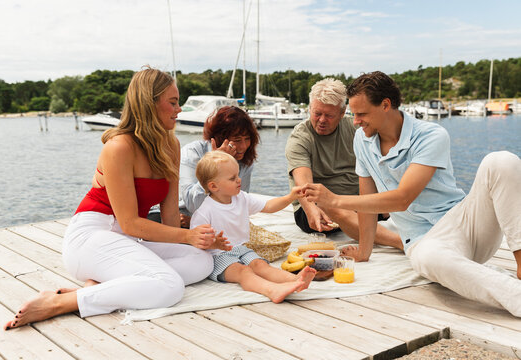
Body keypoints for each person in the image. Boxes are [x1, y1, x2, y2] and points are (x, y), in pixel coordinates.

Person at [4, 67, 218, 330]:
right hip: (92, 236)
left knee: (202, 261)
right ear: (149, 104)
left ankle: (105, 286)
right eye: (173, 102)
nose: (179, 109)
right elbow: (129, 223)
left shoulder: (170, 145)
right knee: (170, 286)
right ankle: (62, 303)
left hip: (125, 238)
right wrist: (187, 236)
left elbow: (171, 216)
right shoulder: (119, 147)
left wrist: (190, 242)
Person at [303, 71, 521, 316]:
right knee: (426, 258)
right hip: (424, 241)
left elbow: (403, 198)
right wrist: (365, 251)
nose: (355, 121)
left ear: (386, 105)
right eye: (353, 114)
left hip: (465, 223)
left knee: (501, 161)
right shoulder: (361, 141)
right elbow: (367, 199)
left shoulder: (431, 135)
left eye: (362, 114)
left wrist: (334, 200)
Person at [285, 78, 402, 249]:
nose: (322, 120)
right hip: (315, 206)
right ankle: (401, 243)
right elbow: (304, 186)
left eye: (329, 115)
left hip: (355, 202)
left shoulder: (357, 130)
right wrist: (311, 211)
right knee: (331, 206)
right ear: (309, 109)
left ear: (342, 113)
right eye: (317, 113)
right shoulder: (300, 137)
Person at [191, 150, 316, 303]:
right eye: (232, 178)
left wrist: (291, 197)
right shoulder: (205, 212)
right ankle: (272, 290)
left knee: (260, 265)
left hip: (241, 248)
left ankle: (295, 280)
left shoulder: (241, 198)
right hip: (217, 256)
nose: (239, 180)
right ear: (214, 186)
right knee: (244, 272)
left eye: (237, 175)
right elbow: (195, 243)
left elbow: (269, 206)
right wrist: (214, 243)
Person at [149, 106, 260, 227]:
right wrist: (215, 165)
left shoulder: (245, 161)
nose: (243, 146)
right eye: (237, 140)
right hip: (175, 216)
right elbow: (193, 204)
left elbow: (239, 206)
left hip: (210, 223)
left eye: (247, 139)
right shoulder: (192, 153)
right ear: (220, 139)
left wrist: (195, 221)